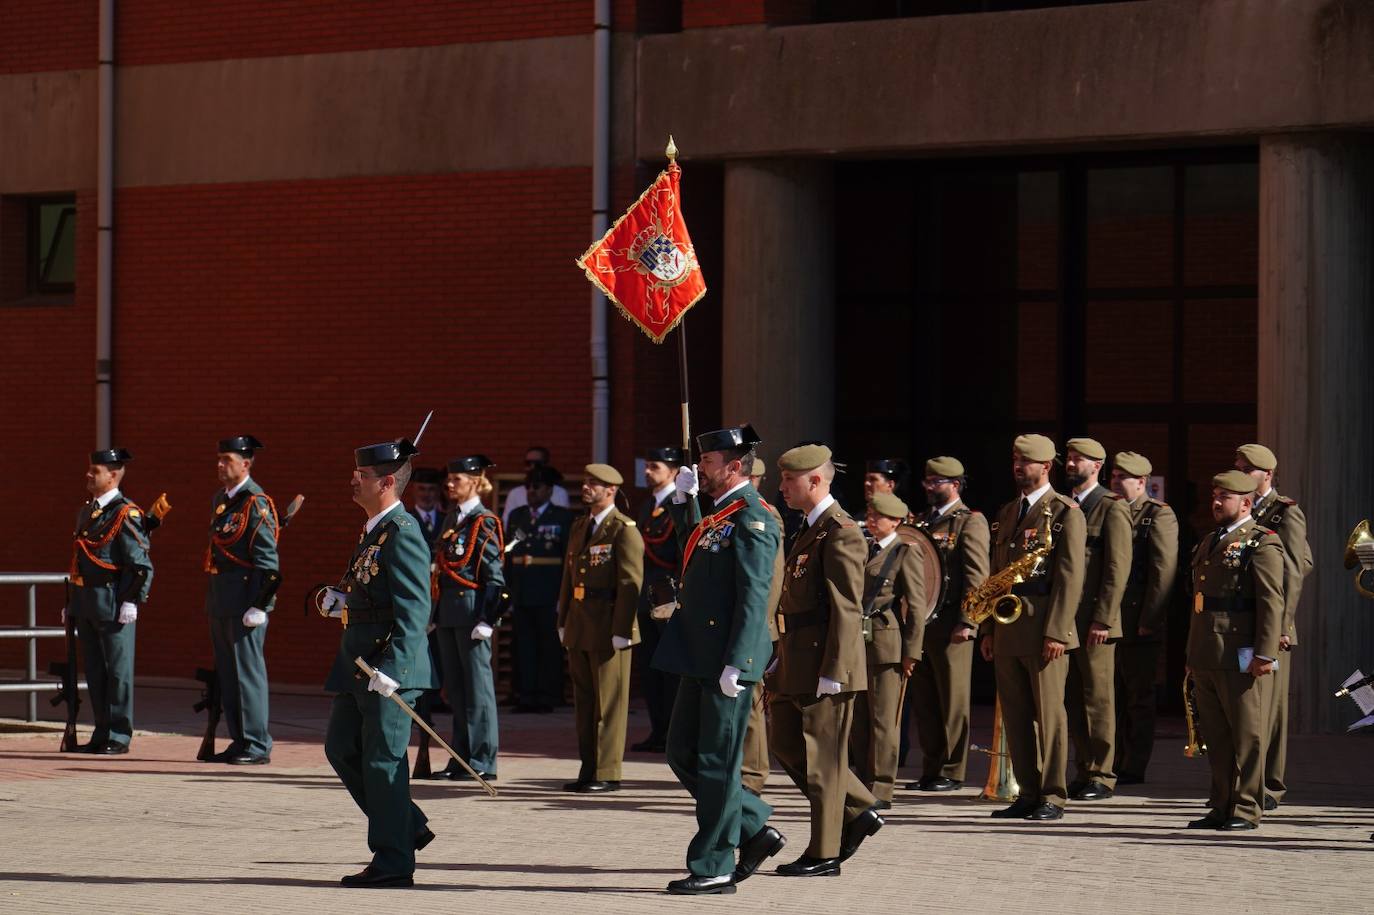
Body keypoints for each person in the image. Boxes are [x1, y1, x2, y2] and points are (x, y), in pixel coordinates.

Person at [653, 426, 783, 895]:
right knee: (682, 752)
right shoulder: (719, 514)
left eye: (707, 462)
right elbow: (692, 549)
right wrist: (682, 501)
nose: (699, 468)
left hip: (726, 658)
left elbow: (754, 596)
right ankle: (754, 826)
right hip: (700, 655)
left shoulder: (753, 518)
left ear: (733, 466)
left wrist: (741, 661)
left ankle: (714, 865)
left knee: (716, 762)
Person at [319, 435, 437, 888]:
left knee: (383, 762)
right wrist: (340, 599)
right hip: (358, 664)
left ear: (387, 481)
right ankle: (406, 826)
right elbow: (372, 593)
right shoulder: (375, 529)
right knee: (341, 748)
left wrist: (396, 667)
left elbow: (414, 609)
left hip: (385, 668)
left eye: (362, 475)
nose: (354, 479)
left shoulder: (402, 533)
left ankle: (393, 861)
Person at [769, 443, 883, 877]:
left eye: (789, 480)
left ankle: (824, 852)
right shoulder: (809, 528)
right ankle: (861, 808)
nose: (782, 487)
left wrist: (835, 669)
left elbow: (846, 608)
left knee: (823, 762)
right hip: (796, 659)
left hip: (823, 664)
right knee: (785, 744)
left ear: (815, 481)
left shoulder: (842, 531)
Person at [980, 434, 1085, 821]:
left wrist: (1057, 631)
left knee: (1050, 716)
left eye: (1027, 462)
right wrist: (989, 628)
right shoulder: (1008, 512)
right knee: (1016, 714)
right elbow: (996, 575)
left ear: (1046, 467)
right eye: (1015, 460)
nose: (1019, 467)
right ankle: (1027, 791)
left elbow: (1070, 578)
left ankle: (1053, 795)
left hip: (1044, 628)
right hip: (1008, 626)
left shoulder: (1064, 512)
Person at [1184, 470, 1284, 831]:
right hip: (1208, 653)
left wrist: (1265, 653)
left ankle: (1246, 808)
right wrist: (1192, 657)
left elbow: (1271, 602)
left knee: (1247, 736)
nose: (1216, 501)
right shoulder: (1210, 541)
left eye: (1224, 497)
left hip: (1240, 653)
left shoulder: (1263, 542)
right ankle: (1221, 804)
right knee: (1216, 735)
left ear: (1245, 502)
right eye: (1215, 494)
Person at [558, 463, 644, 793]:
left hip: (609, 625)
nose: (586, 487)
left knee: (609, 704)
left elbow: (629, 582)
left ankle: (608, 772)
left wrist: (623, 629)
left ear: (611, 490)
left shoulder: (623, 529)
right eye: (585, 482)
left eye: (594, 484)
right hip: (580, 623)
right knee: (585, 702)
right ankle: (589, 767)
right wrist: (562, 619)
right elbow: (568, 578)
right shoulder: (580, 526)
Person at [1235, 443, 1312, 811]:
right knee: (1249, 708)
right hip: (1244, 623)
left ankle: (1270, 785)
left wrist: (1282, 624)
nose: (1241, 472)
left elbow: (1295, 570)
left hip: (1275, 626)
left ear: (1266, 475)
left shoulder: (1284, 513)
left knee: (1272, 710)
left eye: (1247, 468)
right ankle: (1248, 781)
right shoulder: (1243, 509)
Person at [906, 456, 988, 792]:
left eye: (936, 482)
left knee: (952, 701)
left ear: (955, 484)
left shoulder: (969, 522)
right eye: (927, 480)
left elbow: (977, 577)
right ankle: (931, 767)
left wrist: (969, 621)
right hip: (924, 623)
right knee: (926, 700)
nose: (929, 486)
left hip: (953, 623)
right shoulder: (922, 522)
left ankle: (953, 770)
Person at [66, 448, 153, 754]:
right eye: (89, 469)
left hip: (114, 601)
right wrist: (73, 601)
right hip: (88, 601)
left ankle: (119, 734)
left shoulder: (126, 512)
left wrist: (132, 601)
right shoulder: (87, 512)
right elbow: (81, 560)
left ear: (113, 475)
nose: (89, 475)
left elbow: (139, 564)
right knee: (95, 671)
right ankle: (101, 730)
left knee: (118, 671)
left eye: (95, 471)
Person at [1062, 437, 1131, 801]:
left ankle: (1102, 774)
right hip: (1066, 619)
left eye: (1080, 460)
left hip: (1095, 621)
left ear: (1097, 466)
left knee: (1097, 698)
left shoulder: (1111, 507)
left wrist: (1103, 619)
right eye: (1070, 459)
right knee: (1074, 696)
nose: (1072, 464)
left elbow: (1117, 568)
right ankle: (1083, 768)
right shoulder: (1063, 506)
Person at [203, 435, 279, 765]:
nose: (220, 465)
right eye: (219, 459)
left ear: (245, 464)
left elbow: (268, 563)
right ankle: (239, 739)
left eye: (227, 460)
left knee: (247, 675)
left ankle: (257, 743)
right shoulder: (222, 500)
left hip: (246, 605)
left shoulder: (256, 503)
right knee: (229, 675)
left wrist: (260, 605)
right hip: (222, 601)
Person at [431, 455, 504, 781]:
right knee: (456, 691)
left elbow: (495, 577)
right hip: (448, 613)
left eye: (457, 479)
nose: (449, 484)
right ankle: (461, 757)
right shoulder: (451, 520)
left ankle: (483, 758)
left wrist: (488, 618)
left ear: (476, 481)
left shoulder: (484, 521)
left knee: (478, 690)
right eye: (448, 479)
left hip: (473, 613)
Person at [849, 492, 924, 809]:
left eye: (878, 516)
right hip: (859, 641)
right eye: (870, 515)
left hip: (886, 642)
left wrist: (911, 652)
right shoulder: (865, 549)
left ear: (895, 521)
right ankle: (864, 780)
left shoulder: (905, 552)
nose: (871, 520)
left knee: (883, 719)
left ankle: (881, 787)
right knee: (860, 718)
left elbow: (916, 607)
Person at [1108, 451, 1178, 784]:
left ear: (1142, 482)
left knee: (1137, 697)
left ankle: (1133, 765)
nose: (1116, 482)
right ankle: (1111, 760)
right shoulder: (1108, 511)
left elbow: (1162, 572)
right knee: (1110, 696)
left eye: (1124, 477)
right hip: (1108, 620)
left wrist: (1150, 618)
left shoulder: (1156, 516)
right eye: (1114, 476)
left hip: (1137, 622)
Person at [505, 464, 574, 713]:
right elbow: (510, 554)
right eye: (528, 487)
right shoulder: (518, 516)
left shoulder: (562, 517)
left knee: (549, 646)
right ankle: (525, 694)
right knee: (523, 645)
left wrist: (562, 596)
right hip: (522, 590)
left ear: (549, 490)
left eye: (537, 487)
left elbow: (568, 558)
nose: (531, 491)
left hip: (549, 591)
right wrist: (508, 592)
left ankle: (548, 694)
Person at [632, 446, 687, 753]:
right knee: (650, 667)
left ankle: (673, 734)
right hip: (647, 593)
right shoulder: (647, 505)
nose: (647, 471)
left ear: (673, 472)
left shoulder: (678, 503)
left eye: (655, 466)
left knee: (670, 670)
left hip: (669, 593)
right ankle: (658, 730)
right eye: (648, 465)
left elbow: (681, 550)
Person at [741, 457, 784, 797]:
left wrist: (762, 625)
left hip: (757, 624)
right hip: (743, 623)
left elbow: (770, 579)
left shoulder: (765, 514)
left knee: (754, 704)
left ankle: (753, 775)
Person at [501, 445, 571, 526]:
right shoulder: (514, 493)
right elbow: (507, 525)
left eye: (537, 463)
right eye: (528, 463)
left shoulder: (559, 492)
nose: (532, 467)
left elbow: (561, 522)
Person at [407, 467, 446, 547]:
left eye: (431, 489)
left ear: (438, 492)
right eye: (421, 489)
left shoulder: (448, 519)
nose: (426, 494)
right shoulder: (406, 519)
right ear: (413, 490)